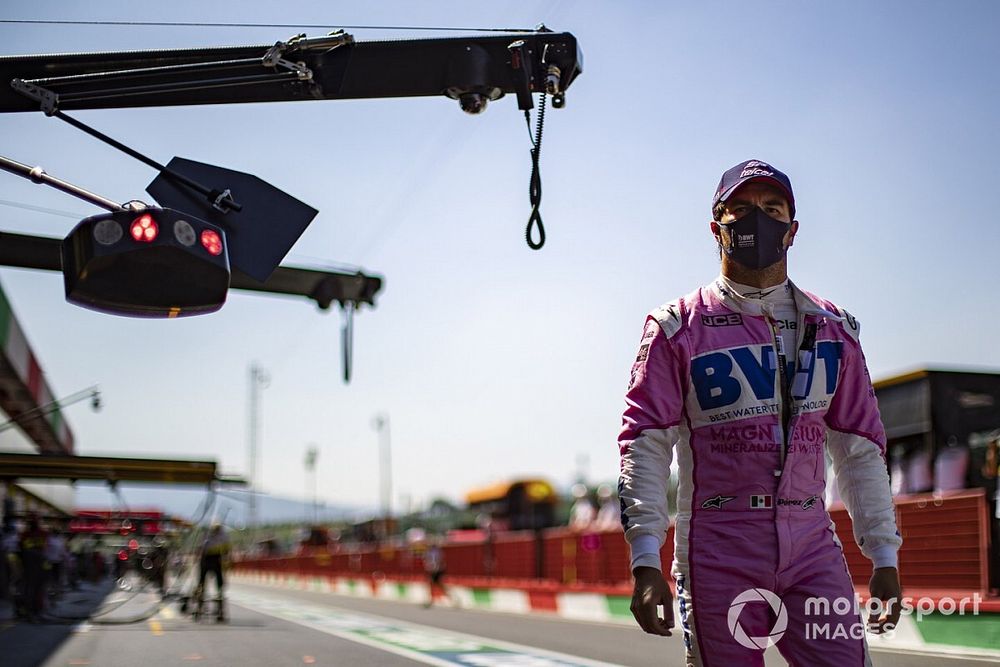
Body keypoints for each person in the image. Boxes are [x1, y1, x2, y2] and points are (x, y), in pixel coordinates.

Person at [618, 160, 902, 666]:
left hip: (812, 543)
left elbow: (860, 451)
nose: (758, 220)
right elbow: (645, 445)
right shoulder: (676, 328)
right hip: (718, 545)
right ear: (716, 227)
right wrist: (645, 560)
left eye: (772, 210)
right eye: (741, 209)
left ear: (792, 232)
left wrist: (883, 554)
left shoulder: (833, 327)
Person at [197, 522, 231, 621]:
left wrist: (227, 562)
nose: (216, 531)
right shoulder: (206, 535)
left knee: (219, 586)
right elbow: (200, 549)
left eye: (218, 529)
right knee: (202, 584)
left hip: (216, 560)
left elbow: (227, 551)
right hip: (206, 559)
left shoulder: (223, 536)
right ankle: (200, 606)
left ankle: (220, 608)